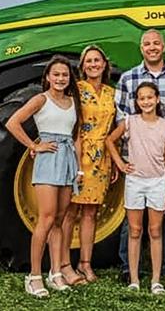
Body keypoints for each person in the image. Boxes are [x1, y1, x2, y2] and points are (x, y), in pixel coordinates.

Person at [5, 55, 83, 298]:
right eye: (56, 74)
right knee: (46, 218)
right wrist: (34, 145)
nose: (61, 78)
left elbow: (76, 136)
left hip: (68, 160)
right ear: (48, 77)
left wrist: (78, 169)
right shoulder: (41, 99)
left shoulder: (73, 102)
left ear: (69, 78)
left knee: (60, 219)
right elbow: (13, 122)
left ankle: (55, 273)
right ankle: (34, 276)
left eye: (65, 75)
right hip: (48, 159)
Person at [115, 29, 165, 279]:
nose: (152, 47)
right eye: (147, 44)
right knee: (131, 217)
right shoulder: (128, 78)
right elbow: (121, 116)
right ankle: (127, 266)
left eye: (156, 43)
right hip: (136, 159)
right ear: (141, 48)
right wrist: (123, 159)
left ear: (164, 47)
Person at [106, 82, 165, 295]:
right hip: (135, 181)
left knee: (155, 230)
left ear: (157, 100)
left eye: (149, 97)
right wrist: (120, 163)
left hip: (158, 181)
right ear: (137, 102)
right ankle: (134, 279)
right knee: (135, 230)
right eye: (141, 98)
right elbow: (109, 141)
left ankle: (156, 280)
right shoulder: (130, 122)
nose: (146, 101)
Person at [59, 45, 118, 284]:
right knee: (70, 212)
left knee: (91, 213)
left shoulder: (111, 93)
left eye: (97, 60)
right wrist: (77, 165)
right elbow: (72, 127)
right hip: (80, 155)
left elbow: (113, 130)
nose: (93, 64)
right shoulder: (77, 91)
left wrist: (113, 162)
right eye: (89, 61)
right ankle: (63, 263)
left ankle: (85, 263)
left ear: (105, 64)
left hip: (102, 158)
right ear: (82, 66)